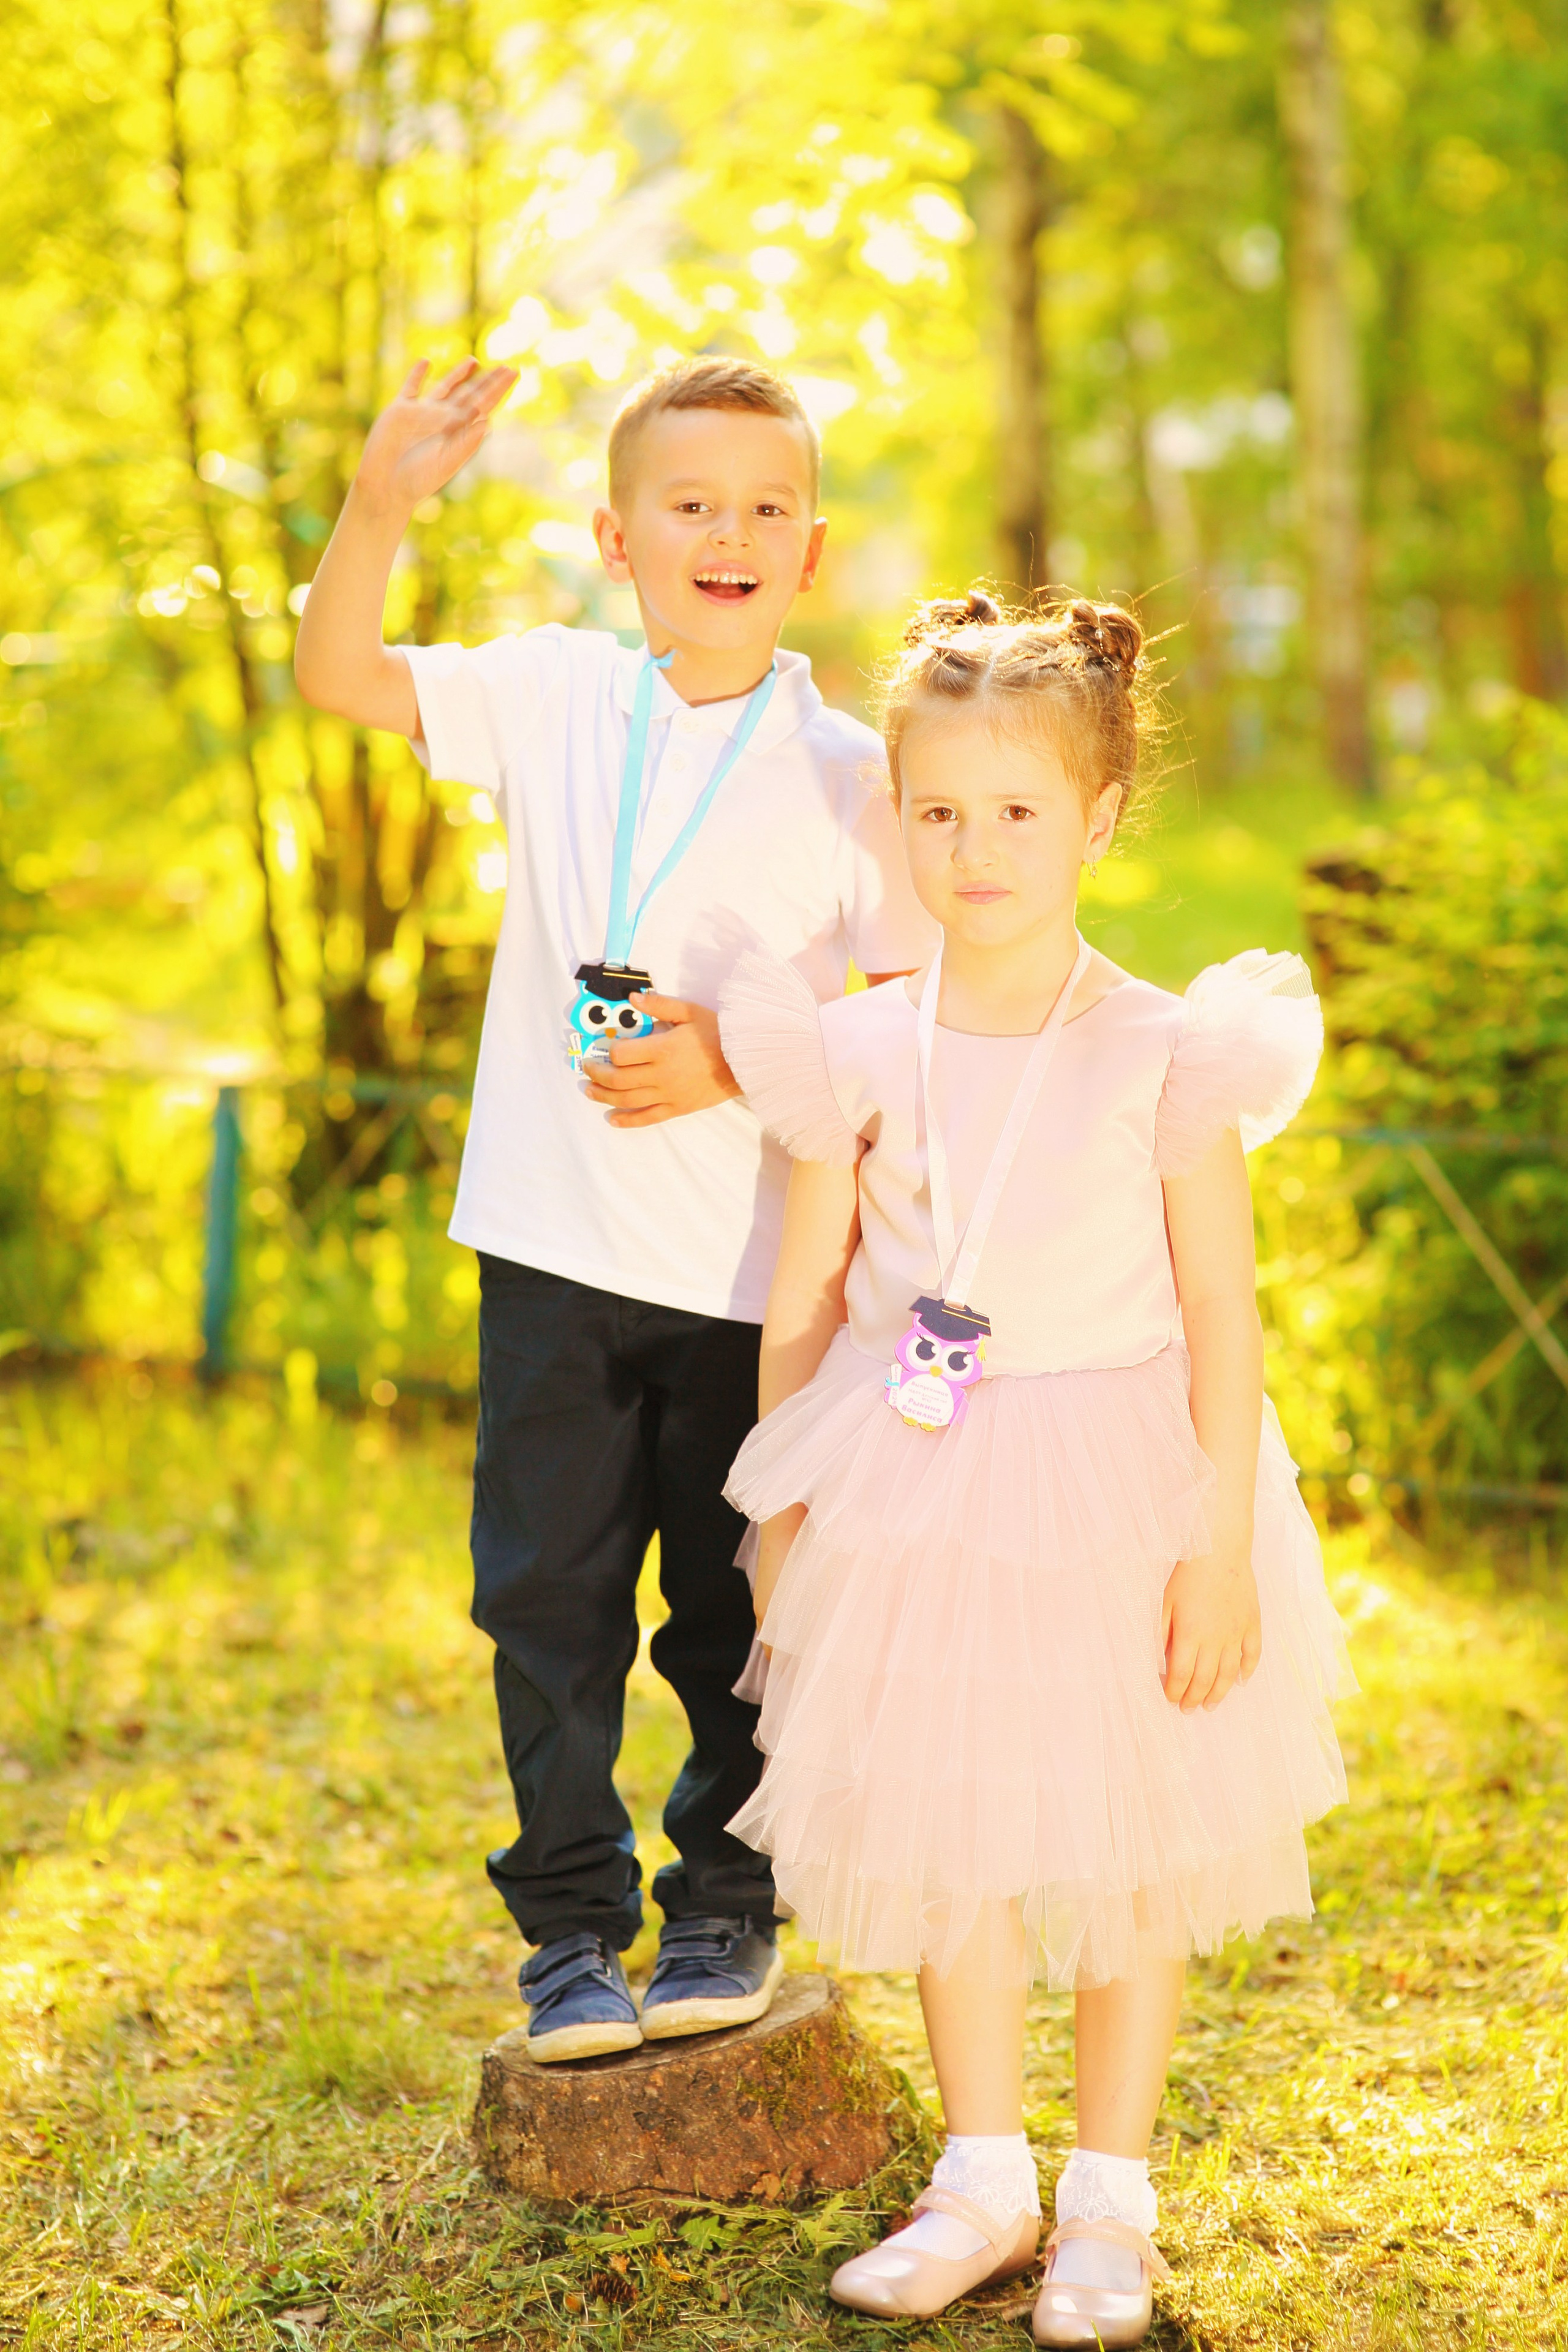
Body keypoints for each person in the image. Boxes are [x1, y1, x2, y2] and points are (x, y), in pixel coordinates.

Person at [715, 590, 1352, 2346]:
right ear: (895, 813)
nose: (974, 849)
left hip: (1125, 1476)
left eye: (1016, 813)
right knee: (950, 1820)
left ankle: (1109, 2204)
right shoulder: (852, 1042)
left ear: (1097, 817)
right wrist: (782, 1500)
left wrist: (1218, 1542)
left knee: (1126, 1836)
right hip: (915, 1477)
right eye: (937, 811)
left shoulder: (1166, 1048)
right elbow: (813, 1291)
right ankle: (982, 2177)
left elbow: (1225, 1313)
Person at [294, 354, 934, 2062]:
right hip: (552, 1252)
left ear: (814, 554)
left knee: (736, 1613)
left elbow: (919, 1011)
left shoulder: (859, 772)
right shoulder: (558, 694)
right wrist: (383, 501)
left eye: (768, 508)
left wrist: (739, 1049)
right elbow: (336, 670)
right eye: (691, 502)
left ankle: (723, 1905)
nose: (730, 532)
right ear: (615, 535)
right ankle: (572, 1935)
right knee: (547, 1604)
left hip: (760, 1285)